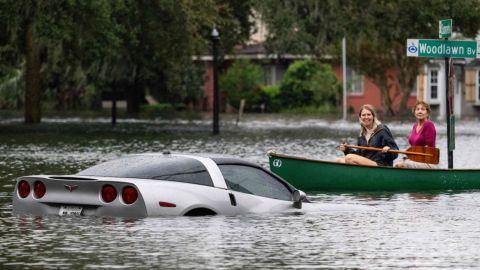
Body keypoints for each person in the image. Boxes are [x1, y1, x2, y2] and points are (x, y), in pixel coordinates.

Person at [395, 101, 438, 168]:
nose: (420, 111)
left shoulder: (429, 125)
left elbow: (429, 148)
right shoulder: (415, 126)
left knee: (401, 165)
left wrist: (411, 159)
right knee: (396, 165)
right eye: (417, 109)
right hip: (415, 159)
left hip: (428, 161)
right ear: (414, 112)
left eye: (423, 109)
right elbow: (413, 147)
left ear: (427, 112)